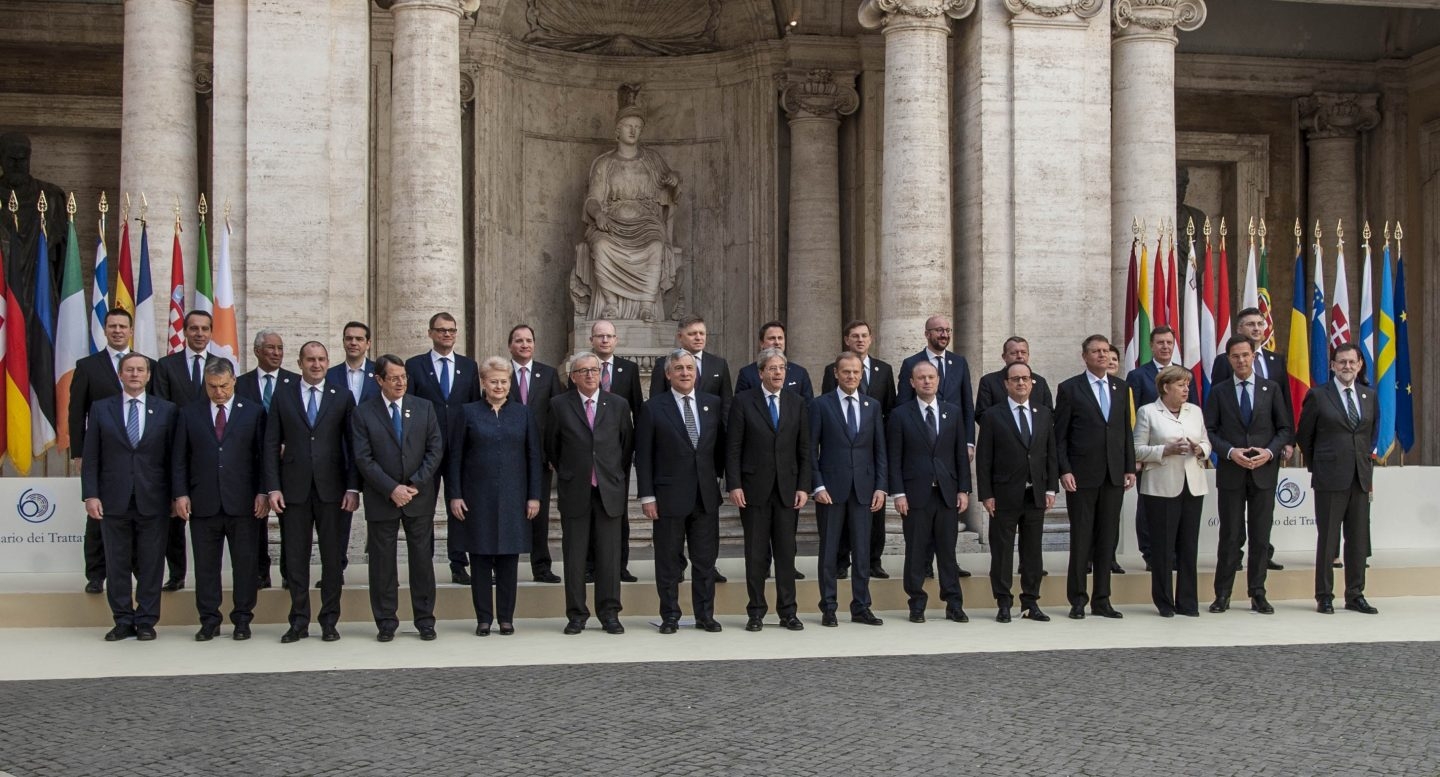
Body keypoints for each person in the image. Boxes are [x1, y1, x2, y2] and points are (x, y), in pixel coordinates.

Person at [264, 342, 359, 643]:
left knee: (332, 559)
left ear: (328, 362)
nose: (316, 364)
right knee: (295, 558)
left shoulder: (342, 397)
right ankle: (298, 620)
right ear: (300, 362)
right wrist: (273, 487)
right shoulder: (283, 395)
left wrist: (353, 487)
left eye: (321, 359)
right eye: (310, 359)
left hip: (333, 491)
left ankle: (329, 621)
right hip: (293, 491)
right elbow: (269, 444)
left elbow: (354, 446)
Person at [81, 353, 177, 642]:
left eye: (140, 370)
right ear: (120, 375)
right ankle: (122, 620)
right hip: (113, 499)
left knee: (151, 563)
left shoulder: (167, 410)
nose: (135, 374)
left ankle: (147, 621)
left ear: (148, 376)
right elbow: (92, 456)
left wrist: (176, 496)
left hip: (154, 499)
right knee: (117, 563)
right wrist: (91, 495)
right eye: (129, 370)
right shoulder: (101, 409)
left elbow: (174, 458)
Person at [172, 360, 268, 641]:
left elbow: (263, 458)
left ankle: (242, 619)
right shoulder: (189, 413)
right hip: (204, 503)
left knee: (245, 565)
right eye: (212, 387)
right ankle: (209, 620)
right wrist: (180, 494)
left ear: (234, 381)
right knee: (205, 566)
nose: (219, 392)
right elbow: (179, 459)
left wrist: (263, 492)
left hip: (244, 503)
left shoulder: (253, 412)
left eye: (224, 386)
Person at [447, 357, 542, 636]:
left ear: (510, 383)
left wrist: (534, 496)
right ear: (483, 383)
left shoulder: (523, 413)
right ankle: (484, 619)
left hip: (515, 497)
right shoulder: (467, 412)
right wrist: (455, 495)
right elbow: (455, 457)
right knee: (479, 559)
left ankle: (506, 618)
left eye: (504, 381)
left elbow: (533, 456)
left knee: (508, 561)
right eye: (493, 381)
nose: (499, 386)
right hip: (477, 498)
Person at [352, 354, 443, 642]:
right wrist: (392, 488)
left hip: (418, 497)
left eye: (403, 377)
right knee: (382, 565)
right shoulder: (364, 413)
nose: (400, 382)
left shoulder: (424, 408)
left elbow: (435, 449)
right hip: (383, 498)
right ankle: (386, 622)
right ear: (379, 380)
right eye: (393, 378)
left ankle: (425, 620)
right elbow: (363, 459)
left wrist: (414, 483)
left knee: (421, 562)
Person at [637, 350, 726, 633]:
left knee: (704, 560)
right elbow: (644, 455)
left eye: (689, 368)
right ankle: (670, 615)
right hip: (668, 497)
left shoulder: (712, 403)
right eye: (679, 368)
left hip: (705, 496)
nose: (685, 373)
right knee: (668, 561)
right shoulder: (653, 407)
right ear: (668, 374)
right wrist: (647, 495)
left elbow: (720, 449)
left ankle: (705, 615)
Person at [546, 352, 633, 635]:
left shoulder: (618, 405)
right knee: (575, 557)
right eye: (582, 371)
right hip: (576, 490)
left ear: (601, 374)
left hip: (609, 490)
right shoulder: (559, 405)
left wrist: (610, 475)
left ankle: (609, 613)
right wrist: (573, 472)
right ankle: (576, 614)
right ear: (573, 377)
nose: (589, 375)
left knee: (609, 556)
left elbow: (625, 445)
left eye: (594, 370)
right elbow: (552, 447)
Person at [1205, 335, 1292, 615]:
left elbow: (1284, 429)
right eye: (1235, 356)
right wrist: (1230, 452)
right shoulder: (1219, 391)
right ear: (1228, 359)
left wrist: (1270, 452)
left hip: (1264, 473)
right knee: (1230, 536)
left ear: (1254, 356)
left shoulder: (1272, 388)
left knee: (1260, 536)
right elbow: (1210, 431)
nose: (1241, 360)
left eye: (1245, 355)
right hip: (1232, 472)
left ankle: (1258, 594)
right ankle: (1222, 595)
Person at [571, 105, 682, 322]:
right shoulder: (605, 163)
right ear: (617, 131)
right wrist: (599, 215)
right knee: (601, 246)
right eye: (628, 126)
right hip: (612, 222)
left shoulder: (652, 160)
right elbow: (592, 199)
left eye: (638, 127)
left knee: (655, 247)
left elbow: (671, 182)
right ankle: (611, 303)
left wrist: (674, 179)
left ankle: (646, 305)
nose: (633, 131)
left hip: (646, 222)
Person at [68, 307, 151, 594]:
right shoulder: (88, 366)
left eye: (122, 326)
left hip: (140, 458)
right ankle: (95, 574)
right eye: (112, 326)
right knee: (98, 517)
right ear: (104, 330)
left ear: (130, 331)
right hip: (103, 455)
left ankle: (141, 572)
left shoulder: (146, 365)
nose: (117, 330)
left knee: (138, 516)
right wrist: (78, 453)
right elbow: (76, 412)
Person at [726, 347, 810, 632]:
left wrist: (803, 487)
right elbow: (733, 447)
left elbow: (805, 450)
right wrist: (734, 484)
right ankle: (756, 611)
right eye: (772, 369)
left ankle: (788, 612)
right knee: (756, 554)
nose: (778, 373)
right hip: (753, 489)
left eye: (782, 369)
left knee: (787, 553)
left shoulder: (797, 403)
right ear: (760, 372)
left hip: (787, 490)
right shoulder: (743, 402)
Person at [1055, 334, 1135, 620]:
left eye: (1105, 351)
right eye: (1095, 351)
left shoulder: (1120, 387)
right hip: (1082, 475)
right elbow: (1060, 436)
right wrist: (1064, 470)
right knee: (1082, 538)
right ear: (1085, 356)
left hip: (1113, 474)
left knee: (1106, 539)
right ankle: (1077, 599)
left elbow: (1125, 431)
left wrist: (1128, 466)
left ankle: (1102, 599)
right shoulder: (1069, 389)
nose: (1102, 355)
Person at [1295, 343, 1379, 615]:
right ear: (1332, 365)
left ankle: (1355, 595)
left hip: (1360, 478)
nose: (1347, 367)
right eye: (1341, 362)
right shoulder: (1318, 396)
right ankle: (1324, 596)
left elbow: (1370, 435)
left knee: (1357, 540)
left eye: (1352, 362)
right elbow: (1304, 437)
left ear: (1360, 364)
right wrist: (1318, 466)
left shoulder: (1369, 395)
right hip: (1329, 478)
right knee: (1329, 539)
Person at [887, 360, 971, 624]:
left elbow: (960, 454)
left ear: (938, 381)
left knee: (948, 551)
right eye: (921, 378)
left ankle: (954, 603)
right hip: (914, 495)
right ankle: (916, 603)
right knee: (915, 551)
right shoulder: (901, 415)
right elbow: (895, 457)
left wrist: (964, 490)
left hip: (946, 493)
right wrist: (898, 493)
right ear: (912, 383)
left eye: (931, 377)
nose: (926, 381)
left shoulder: (953, 412)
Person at [811, 351, 887, 627]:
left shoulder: (872, 406)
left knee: (862, 551)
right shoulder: (820, 405)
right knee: (829, 551)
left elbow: (880, 449)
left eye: (856, 372)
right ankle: (829, 607)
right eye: (846, 372)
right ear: (836, 374)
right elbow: (810, 450)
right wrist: (816, 484)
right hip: (830, 490)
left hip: (865, 490)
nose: (851, 376)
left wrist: (881, 487)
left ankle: (861, 606)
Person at [976, 361, 1056, 623]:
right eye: (1015, 379)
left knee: (1033, 552)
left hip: (1035, 493)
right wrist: (986, 494)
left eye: (1025, 378)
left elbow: (1050, 454)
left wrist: (1051, 488)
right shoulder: (992, 415)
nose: (1021, 383)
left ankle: (1030, 602)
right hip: (1004, 494)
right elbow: (984, 458)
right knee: (1002, 551)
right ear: (1006, 384)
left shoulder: (1043, 413)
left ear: (1032, 382)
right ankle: (1003, 601)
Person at [405, 312, 481, 585]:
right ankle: (423, 564)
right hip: (425, 450)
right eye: (441, 330)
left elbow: (475, 409)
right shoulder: (414, 366)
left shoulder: (469, 367)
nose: (447, 335)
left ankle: (458, 564)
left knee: (459, 507)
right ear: (430, 333)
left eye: (451, 330)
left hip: (460, 448)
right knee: (423, 508)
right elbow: (409, 408)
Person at [151, 309, 222, 592]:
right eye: (194, 328)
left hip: (209, 452)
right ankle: (177, 573)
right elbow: (160, 409)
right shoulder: (166, 365)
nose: (199, 334)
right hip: (175, 451)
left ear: (211, 332)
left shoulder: (222, 364)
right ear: (185, 331)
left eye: (205, 329)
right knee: (174, 517)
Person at [1133, 365, 1211, 617]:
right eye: (1180, 384)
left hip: (1193, 484)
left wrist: (1200, 450)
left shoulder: (1195, 412)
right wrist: (1163, 450)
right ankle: (1164, 601)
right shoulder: (1148, 412)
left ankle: (1188, 602)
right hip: (1160, 487)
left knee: (1189, 546)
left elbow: (1207, 441)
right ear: (1166, 387)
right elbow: (1136, 450)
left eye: (1187, 384)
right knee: (1163, 548)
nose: (1186, 389)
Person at [822, 320, 895, 580]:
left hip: (869, 450)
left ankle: (874, 561)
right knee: (840, 520)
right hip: (840, 456)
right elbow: (826, 413)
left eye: (865, 335)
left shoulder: (884, 370)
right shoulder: (833, 371)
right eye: (855, 336)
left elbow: (889, 409)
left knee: (874, 516)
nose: (860, 340)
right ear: (847, 340)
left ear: (871, 339)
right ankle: (842, 561)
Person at [234, 328, 300, 590]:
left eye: (280, 348)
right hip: (250, 463)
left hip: (288, 463)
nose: (276, 353)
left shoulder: (295, 383)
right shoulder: (241, 383)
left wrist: (288, 444)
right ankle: (261, 571)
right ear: (256, 351)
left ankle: (288, 571)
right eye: (271, 348)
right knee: (255, 517)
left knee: (290, 521)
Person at [507, 323, 566, 584]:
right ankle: (502, 567)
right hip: (506, 458)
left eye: (528, 340)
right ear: (510, 345)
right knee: (507, 512)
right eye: (518, 340)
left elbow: (557, 417)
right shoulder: (500, 372)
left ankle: (541, 567)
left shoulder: (549, 374)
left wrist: (554, 454)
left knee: (539, 515)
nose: (524, 344)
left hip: (539, 458)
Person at [585, 319, 640, 583]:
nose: (605, 340)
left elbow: (637, 411)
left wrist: (633, 452)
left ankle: (620, 565)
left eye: (609, 336)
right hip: (588, 455)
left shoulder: (629, 369)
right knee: (589, 512)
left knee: (619, 512)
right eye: (600, 336)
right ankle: (590, 565)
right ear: (591, 340)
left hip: (618, 455)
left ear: (616, 340)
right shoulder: (582, 367)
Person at [651, 315, 733, 412]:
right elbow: (655, 403)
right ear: (679, 337)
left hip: (710, 425)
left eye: (702, 333)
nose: (698, 338)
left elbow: (727, 404)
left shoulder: (719, 364)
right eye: (692, 334)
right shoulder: (663, 364)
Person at [734, 321, 815, 402]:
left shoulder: (800, 373)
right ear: (762, 343)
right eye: (772, 338)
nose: (777, 342)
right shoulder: (747, 373)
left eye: (780, 338)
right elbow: (740, 405)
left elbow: (808, 407)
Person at [975, 336, 1054, 418]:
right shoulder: (989, 381)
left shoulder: (1040, 382)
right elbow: (982, 415)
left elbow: (1049, 414)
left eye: (1023, 352)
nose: (1019, 356)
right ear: (1004, 357)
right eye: (1014, 353)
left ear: (1028, 355)